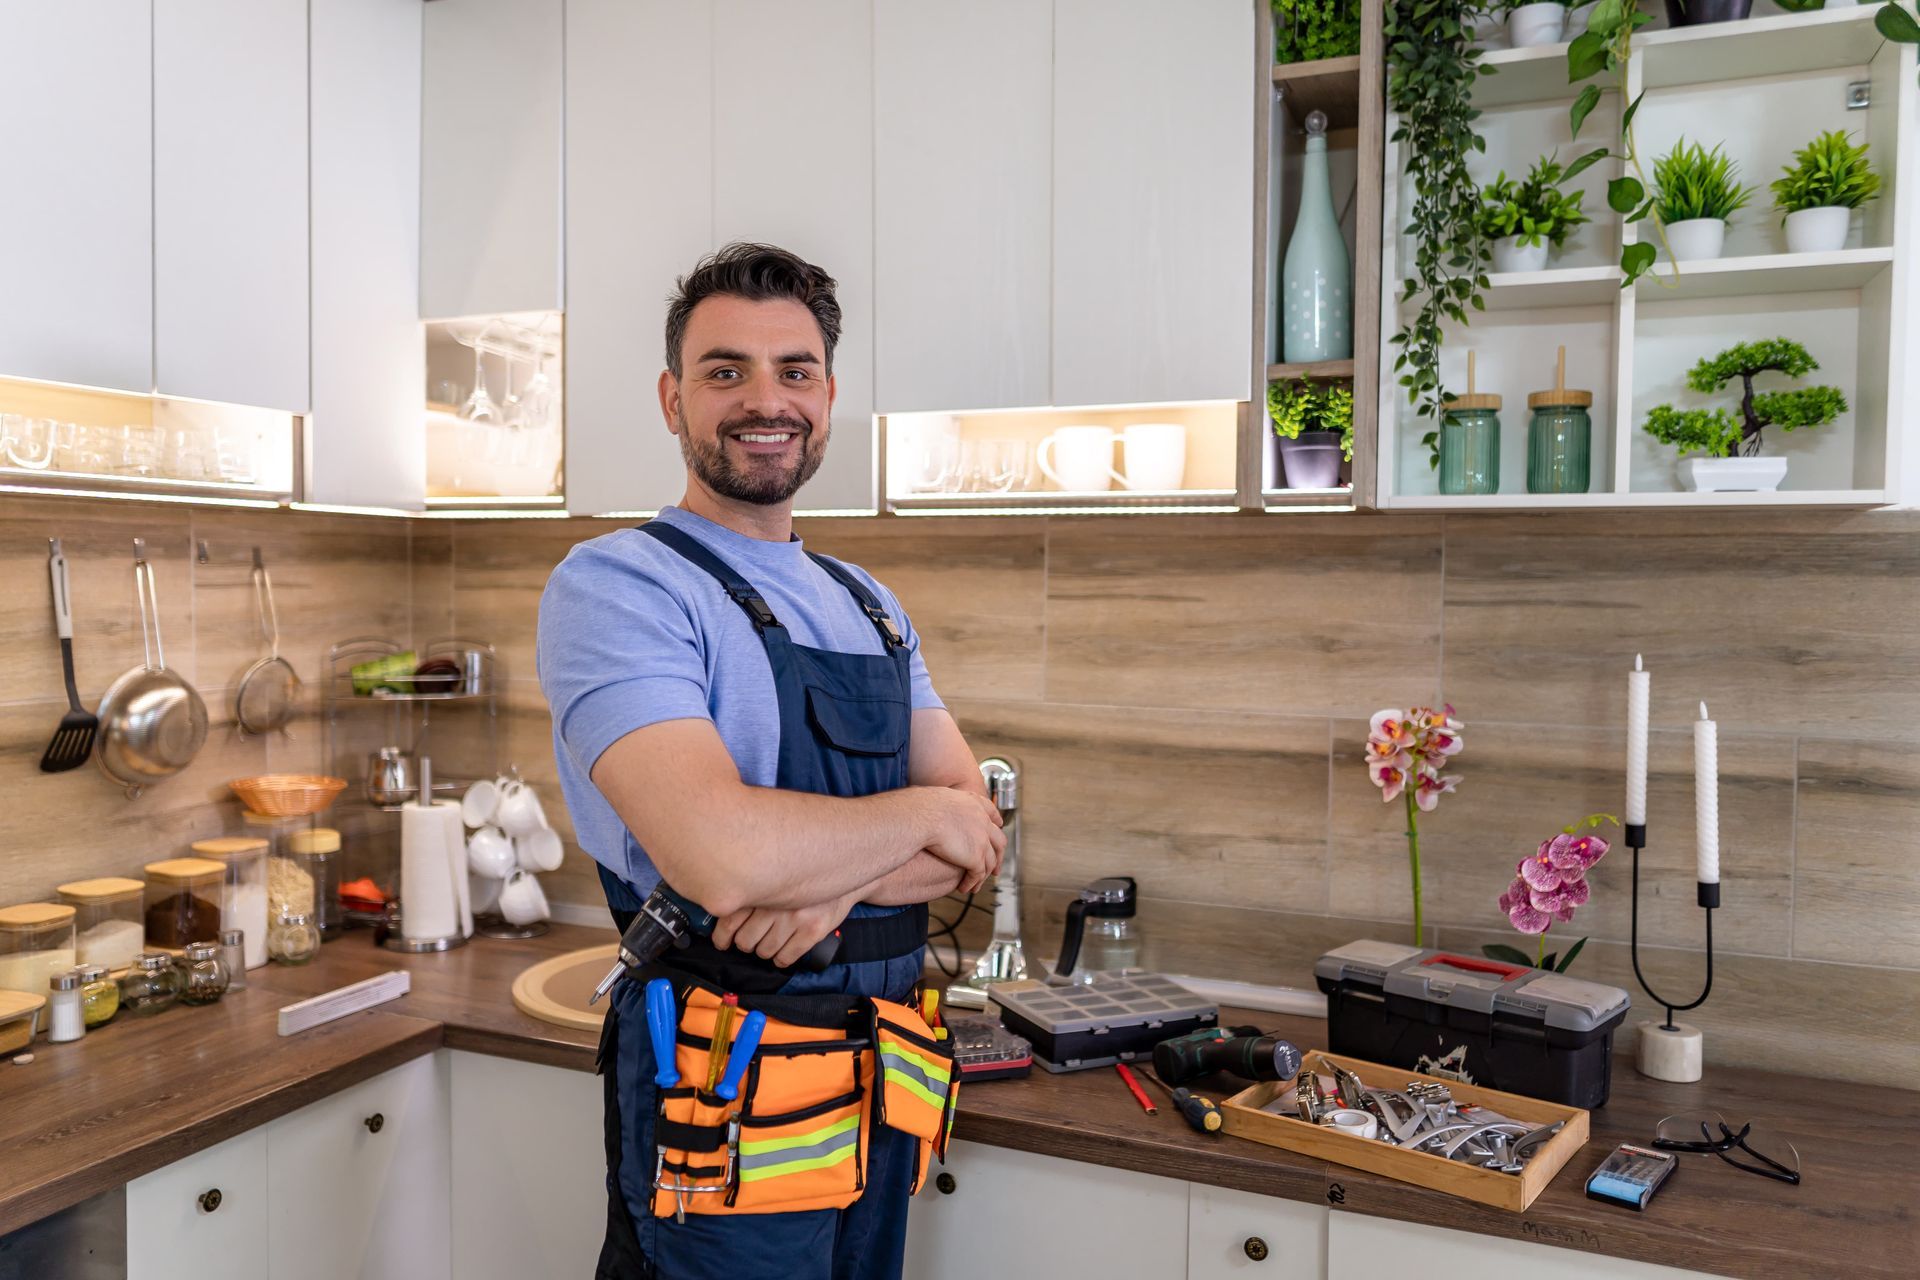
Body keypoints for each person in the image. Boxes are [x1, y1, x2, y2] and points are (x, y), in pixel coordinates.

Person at [538, 242, 1005, 1280]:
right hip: (723, 1081)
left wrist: (825, 887)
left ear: (827, 395)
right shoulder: (619, 587)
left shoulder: (868, 601)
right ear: (673, 398)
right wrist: (915, 818)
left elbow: (975, 830)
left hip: (882, 1083)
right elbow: (721, 856)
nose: (765, 399)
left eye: (794, 370)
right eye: (724, 370)